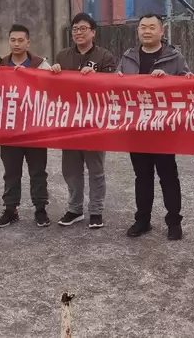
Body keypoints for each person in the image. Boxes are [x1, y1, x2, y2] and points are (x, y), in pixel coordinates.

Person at [118, 13, 192, 240]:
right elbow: (114, 87)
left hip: (164, 128)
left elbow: (188, 84)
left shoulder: (174, 57)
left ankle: (174, 222)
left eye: (152, 27)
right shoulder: (128, 57)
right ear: (138, 31)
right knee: (142, 177)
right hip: (137, 128)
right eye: (143, 27)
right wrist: (116, 79)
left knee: (168, 176)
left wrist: (168, 79)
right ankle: (142, 220)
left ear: (161, 31)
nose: (147, 31)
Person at [50, 13, 117, 229]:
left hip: (94, 121)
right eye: (75, 29)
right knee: (71, 169)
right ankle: (75, 208)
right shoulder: (62, 56)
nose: (79, 33)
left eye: (83, 29)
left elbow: (113, 87)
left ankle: (96, 210)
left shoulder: (104, 56)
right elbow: (54, 89)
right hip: (69, 121)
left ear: (93, 32)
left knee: (95, 169)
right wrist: (54, 73)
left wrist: (96, 77)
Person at [0, 24, 53, 229]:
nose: (16, 44)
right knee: (11, 171)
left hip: (35, 129)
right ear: (8, 42)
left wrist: (31, 77)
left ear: (28, 42)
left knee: (38, 171)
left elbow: (52, 91)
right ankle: (11, 209)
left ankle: (40, 208)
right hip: (9, 128)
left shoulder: (41, 65)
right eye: (13, 40)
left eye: (20, 40)